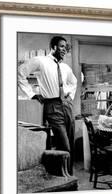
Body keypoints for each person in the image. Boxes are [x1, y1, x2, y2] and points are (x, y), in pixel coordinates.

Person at [18, 36, 77, 174]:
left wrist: (70, 96)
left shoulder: (65, 67)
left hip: (67, 106)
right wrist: (31, 94)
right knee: (64, 144)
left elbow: (74, 81)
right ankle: (65, 177)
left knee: (71, 143)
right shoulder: (41, 61)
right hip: (52, 106)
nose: (64, 49)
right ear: (54, 47)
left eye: (65, 47)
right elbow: (20, 72)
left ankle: (69, 176)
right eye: (62, 46)